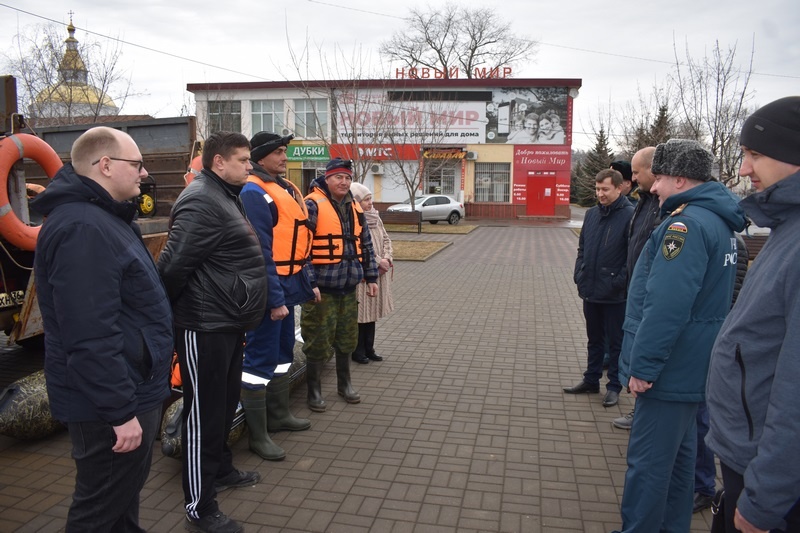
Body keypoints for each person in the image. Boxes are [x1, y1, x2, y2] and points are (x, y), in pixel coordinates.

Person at [32, 126, 173, 532]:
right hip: (111, 403)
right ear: (106, 165)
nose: (144, 173)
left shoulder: (103, 218)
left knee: (121, 499)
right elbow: (89, 333)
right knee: (99, 509)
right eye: (137, 164)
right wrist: (119, 411)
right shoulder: (83, 228)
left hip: (129, 388)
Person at [612, 139, 746, 533]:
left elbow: (667, 306)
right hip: (692, 367)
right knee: (679, 464)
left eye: (661, 178)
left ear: (682, 179)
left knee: (649, 467)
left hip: (668, 372)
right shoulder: (718, 222)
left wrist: (645, 366)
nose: (653, 187)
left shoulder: (684, 227)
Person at [158, 131, 268, 533]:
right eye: (242, 159)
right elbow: (170, 269)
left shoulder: (223, 195)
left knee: (222, 404)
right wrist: (175, 319)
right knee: (202, 414)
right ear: (218, 162)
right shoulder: (203, 200)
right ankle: (199, 507)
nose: (249, 165)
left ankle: (220, 469)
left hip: (225, 321)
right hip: (203, 326)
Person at [706, 96, 800, 533]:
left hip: (770, 479)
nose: (744, 169)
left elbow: (795, 391)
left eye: (755, 154)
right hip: (751, 457)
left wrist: (765, 499)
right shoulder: (787, 229)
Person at [238, 131, 319, 461]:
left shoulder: (285, 188)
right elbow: (261, 252)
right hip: (268, 291)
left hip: (288, 284)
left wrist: (307, 282)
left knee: (284, 352)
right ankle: (258, 436)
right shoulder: (254, 193)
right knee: (259, 358)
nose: (285, 157)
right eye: (279, 152)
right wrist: (274, 299)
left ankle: (279, 414)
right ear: (260, 157)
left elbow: (299, 243)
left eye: (286, 151)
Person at [301, 158, 379, 412]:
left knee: (347, 339)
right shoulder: (312, 204)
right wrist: (309, 283)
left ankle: (344, 385)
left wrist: (371, 277)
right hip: (321, 290)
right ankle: (314, 391)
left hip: (348, 287)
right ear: (327, 178)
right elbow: (302, 249)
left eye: (347, 177)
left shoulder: (355, 207)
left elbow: (365, 244)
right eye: (338, 177)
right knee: (317, 340)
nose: (344, 182)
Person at [563, 168, 633, 407]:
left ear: (619, 188)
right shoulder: (592, 214)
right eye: (597, 189)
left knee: (615, 343)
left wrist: (618, 282)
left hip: (615, 294)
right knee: (594, 339)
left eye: (605, 189)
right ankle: (591, 380)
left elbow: (632, 258)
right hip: (590, 289)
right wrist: (579, 272)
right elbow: (582, 248)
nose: (600, 194)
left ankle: (614, 386)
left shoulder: (630, 215)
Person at [612, 147, 659, 430]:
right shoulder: (645, 201)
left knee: (646, 356)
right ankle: (639, 410)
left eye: (637, 172)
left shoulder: (666, 205)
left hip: (651, 295)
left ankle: (645, 413)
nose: (633, 177)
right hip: (635, 290)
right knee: (634, 353)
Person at [350, 182, 395, 364]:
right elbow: (359, 247)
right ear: (356, 202)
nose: (370, 203)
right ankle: (358, 351)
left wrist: (388, 257)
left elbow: (386, 238)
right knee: (362, 314)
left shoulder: (375, 217)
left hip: (379, 274)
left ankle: (370, 348)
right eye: (366, 200)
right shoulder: (353, 220)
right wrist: (378, 261)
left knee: (373, 313)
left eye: (370, 199)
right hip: (364, 275)